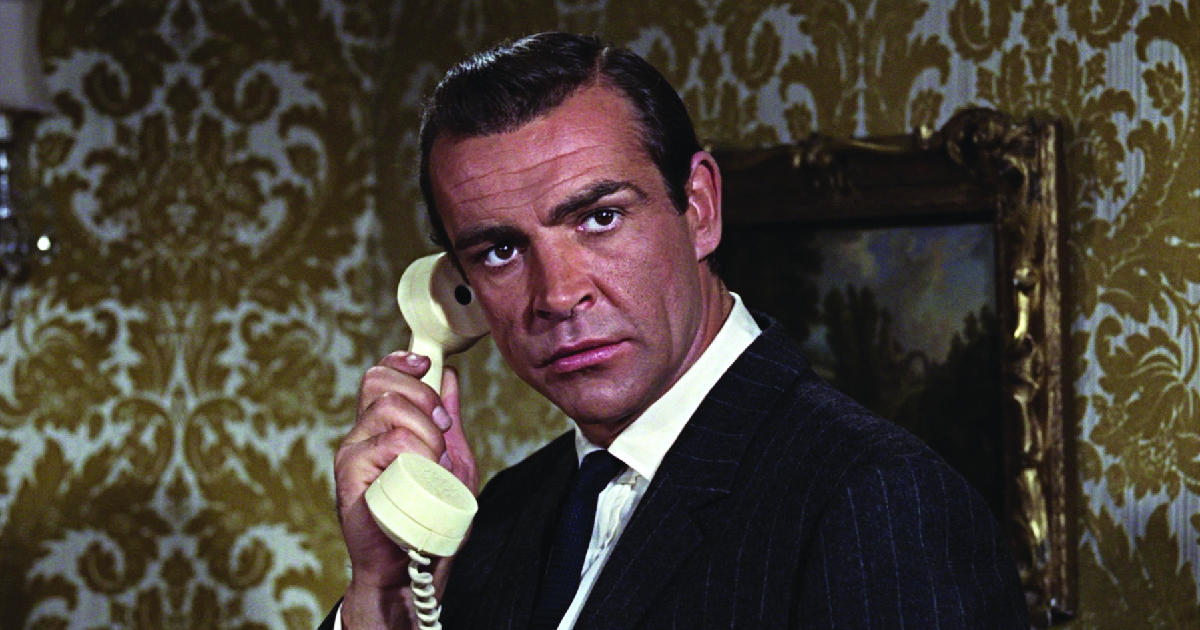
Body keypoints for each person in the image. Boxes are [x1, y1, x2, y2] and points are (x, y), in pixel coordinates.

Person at [321, 32, 1028, 630]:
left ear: (700, 207)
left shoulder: (878, 502)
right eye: (500, 250)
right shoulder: (495, 518)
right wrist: (381, 597)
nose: (558, 295)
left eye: (599, 218)